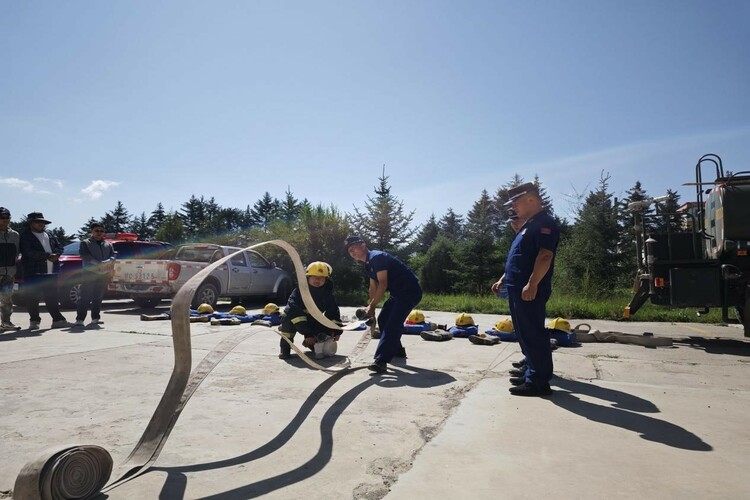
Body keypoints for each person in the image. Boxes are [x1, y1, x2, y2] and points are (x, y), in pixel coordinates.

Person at [492, 182, 560, 396]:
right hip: (516, 289)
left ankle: (538, 381)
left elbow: (545, 255)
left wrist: (532, 283)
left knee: (533, 333)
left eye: (516, 201)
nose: (513, 207)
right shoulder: (528, 226)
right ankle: (531, 370)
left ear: (531, 198)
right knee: (524, 332)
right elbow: (520, 258)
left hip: (529, 290)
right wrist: (504, 279)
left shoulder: (544, 223)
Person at [345, 235, 422, 373]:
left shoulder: (377, 257)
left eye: (354, 248)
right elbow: (373, 287)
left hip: (409, 292)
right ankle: (397, 350)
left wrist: (373, 305)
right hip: (398, 294)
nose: (352, 252)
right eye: (349, 251)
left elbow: (383, 283)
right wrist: (371, 307)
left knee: (393, 323)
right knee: (383, 319)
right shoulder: (368, 265)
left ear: (363, 245)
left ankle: (381, 361)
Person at [19, 212, 73, 330]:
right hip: (33, 272)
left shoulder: (49, 235)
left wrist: (57, 254)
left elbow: (59, 247)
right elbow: (28, 252)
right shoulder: (25, 236)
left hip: (51, 272)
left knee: (52, 297)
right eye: (37, 222)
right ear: (30, 223)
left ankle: (58, 320)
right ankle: (34, 321)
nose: (40, 224)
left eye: (42, 222)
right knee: (32, 298)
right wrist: (48, 255)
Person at [279, 261, 342, 360]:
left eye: (321, 278)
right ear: (308, 277)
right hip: (295, 319)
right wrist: (307, 334)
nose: (318, 280)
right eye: (314, 277)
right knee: (287, 325)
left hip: (312, 319)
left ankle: (313, 344)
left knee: (324, 328)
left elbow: (333, 312)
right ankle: (285, 350)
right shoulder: (298, 292)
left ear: (326, 279)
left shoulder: (327, 294)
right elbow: (294, 311)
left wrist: (337, 330)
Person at [75, 222, 115, 327]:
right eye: (97, 230)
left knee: (98, 297)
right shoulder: (86, 243)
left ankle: (95, 318)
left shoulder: (108, 244)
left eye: (101, 231)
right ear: (92, 231)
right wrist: (98, 263)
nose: (99, 233)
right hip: (90, 273)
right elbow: (85, 256)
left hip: (103, 274)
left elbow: (113, 256)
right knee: (85, 297)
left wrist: (108, 262)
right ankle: (80, 319)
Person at [0, 207, 21, 331]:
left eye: (7, 217)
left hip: (9, 273)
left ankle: (6, 323)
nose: (5, 220)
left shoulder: (15, 235)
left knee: (7, 299)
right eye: (2, 217)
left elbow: (17, 252)